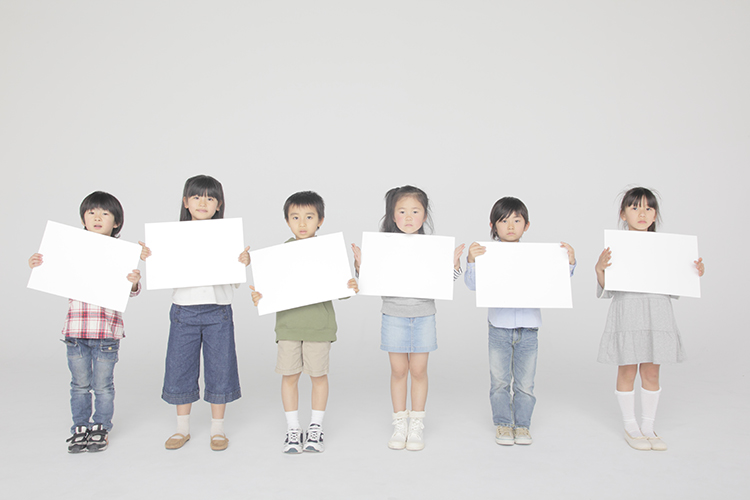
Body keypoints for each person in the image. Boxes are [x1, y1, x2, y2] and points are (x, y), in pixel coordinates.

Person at [140, 175, 250, 452]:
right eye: (197, 197)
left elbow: (234, 279)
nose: (203, 202)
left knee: (220, 368)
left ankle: (217, 429)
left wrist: (242, 262)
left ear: (219, 205)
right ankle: (182, 429)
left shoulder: (227, 236)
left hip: (218, 310)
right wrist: (150, 258)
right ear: (186, 202)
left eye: (210, 198)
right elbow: (163, 271)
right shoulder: (171, 237)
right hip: (184, 311)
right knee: (180, 368)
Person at [28, 191, 142, 453]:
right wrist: (37, 265)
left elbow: (132, 292)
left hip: (106, 333)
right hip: (76, 331)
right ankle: (80, 426)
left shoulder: (121, 254)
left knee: (103, 386)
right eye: (91, 213)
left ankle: (101, 426)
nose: (97, 217)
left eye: (104, 213)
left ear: (116, 222)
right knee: (79, 385)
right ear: (83, 218)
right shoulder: (69, 248)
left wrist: (134, 281)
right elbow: (49, 272)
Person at [352, 186, 464, 451]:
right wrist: (361, 266)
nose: (409, 217)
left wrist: (454, 267)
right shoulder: (383, 247)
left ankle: (417, 423)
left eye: (415, 211)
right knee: (399, 370)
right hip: (393, 316)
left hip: (424, 316)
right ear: (392, 216)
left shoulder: (432, 248)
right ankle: (399, 422)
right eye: (402, 212)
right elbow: (369, 282)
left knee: (419, 370)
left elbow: (443, 283)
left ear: (424, 216)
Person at [596, 187, 705, 451]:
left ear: (655, 214)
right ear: (623, 214)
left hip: (657, 312)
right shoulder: (616, 247)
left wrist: (694, 272)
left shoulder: (668, 248)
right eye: (634, 207)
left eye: (648, 208)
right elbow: (607, 287)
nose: (642, 213)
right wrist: (599, 267)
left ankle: (648, 425)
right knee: (627, 368)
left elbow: (678, 283)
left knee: (652, 370)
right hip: (628, 310)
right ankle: (630, 425)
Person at [250, 191, 358, 454]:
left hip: (319, 327)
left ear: (320, 220)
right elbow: (269, 290)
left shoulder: (327, 252)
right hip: (288, 326)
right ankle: (292, 428)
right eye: (295, 217)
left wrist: (351, 282)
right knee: (289, 376)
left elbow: (343, 291)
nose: (302, 223)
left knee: (318, 376)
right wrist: (259, 297)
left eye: (309, 217)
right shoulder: (279, 254)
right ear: (287, 221)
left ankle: (316, 428)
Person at [464, 197, 576, 446]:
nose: (511, 226)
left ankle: (523, 425)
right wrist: (471, 261)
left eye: (517, 220)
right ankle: (503, 424)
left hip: (529, 327)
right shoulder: (487, 254)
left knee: (525, 383)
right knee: (500, 381)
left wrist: (569, 261)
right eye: (504, 221)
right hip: (499, 327)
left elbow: (556, 281)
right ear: (493, 226)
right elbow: (473, 286)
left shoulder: (537, 256)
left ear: (527, 225)